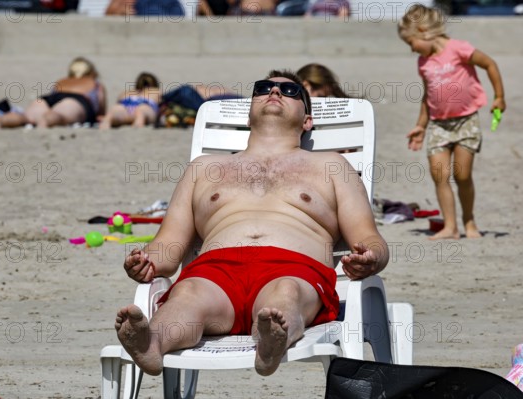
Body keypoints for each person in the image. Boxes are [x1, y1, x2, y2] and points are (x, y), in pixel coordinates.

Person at [115, 70, 389, 377]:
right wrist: (146, 261)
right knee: (187, 294)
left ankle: (269, 342)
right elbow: (168, 247)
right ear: (248, 115)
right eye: (264, 88)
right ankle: (152, 344)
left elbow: (368, 236)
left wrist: (372, 256)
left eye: (290, 91)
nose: (274, 92)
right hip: (214, 271)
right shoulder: (204, 169)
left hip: (294, 268)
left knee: (284, 295)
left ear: (307, 121)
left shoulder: (332, 166)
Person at [398, 4, 506, 240]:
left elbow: (490, 64)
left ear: (424, 30)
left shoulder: (458, 49)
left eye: (411, 43)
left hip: (466, 122)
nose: (412, 50)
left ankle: (469, 221)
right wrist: (421, 126)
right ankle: (450, 227)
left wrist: (499, 96)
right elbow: (427, 96)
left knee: (463, 176)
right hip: (438, 125)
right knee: (440, 175)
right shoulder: (423, 63)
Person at [0, 57, 106, 129]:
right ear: (92, 72)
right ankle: (44, 121)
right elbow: (100, 112)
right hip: (76, 101)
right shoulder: (96, 84)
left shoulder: (61, 81)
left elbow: (54, 94)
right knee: (58, 117)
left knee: (27, 117)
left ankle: (0, 120)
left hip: (48, 98)